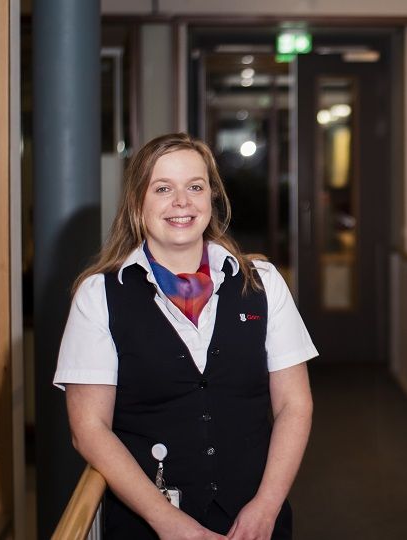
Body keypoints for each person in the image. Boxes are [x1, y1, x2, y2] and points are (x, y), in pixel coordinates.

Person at [54, 133, 316, 539]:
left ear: (212, 198)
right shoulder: (98, 296)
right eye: (163, 189)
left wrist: (266, 507)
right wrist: (168, 522)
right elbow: (88, 427)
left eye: (195, 186)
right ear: (137, 204)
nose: (182, 201)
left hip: (255, 522)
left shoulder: (262, 283)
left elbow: (295, 405)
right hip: (148, 524)